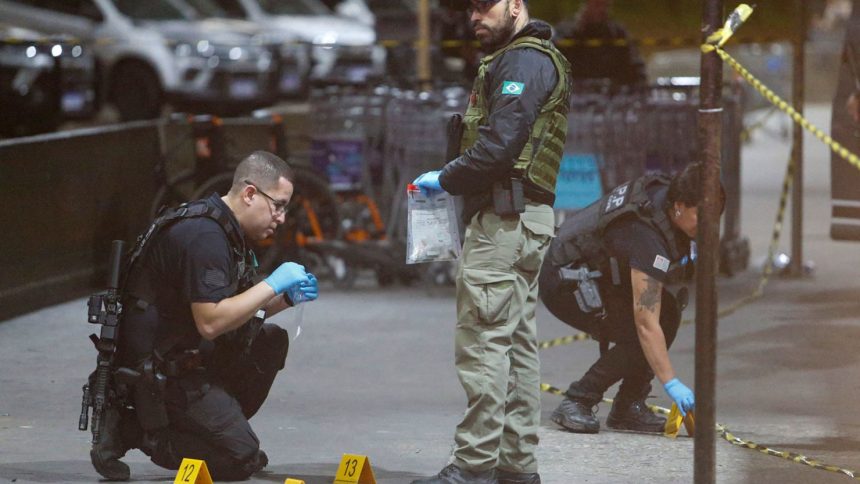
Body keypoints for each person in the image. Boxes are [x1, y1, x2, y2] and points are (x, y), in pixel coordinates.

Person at [411, 0, 571, 483]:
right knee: (516, 348)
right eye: (470, 9)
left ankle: (474, 464)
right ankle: (516, 465)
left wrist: (448, 176)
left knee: (483, 344)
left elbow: (500, 146)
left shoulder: (522, 61)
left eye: (486, 6)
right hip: (526, 219)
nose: (475, 16)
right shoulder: (534, 57)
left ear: (516, 5)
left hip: (504, 221)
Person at [89, 151, 319, 481]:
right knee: (239, 460)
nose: (282, 218)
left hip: (186, 352)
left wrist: (283, 298)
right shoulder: (205, 236)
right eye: (278, 205)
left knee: (270, 341)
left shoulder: (223, 228)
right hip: (159, 369)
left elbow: (235, 306)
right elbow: (211, 322)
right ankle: (134, 430)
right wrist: (272, 282)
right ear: (250, 193)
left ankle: (216, 432)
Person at [539, 163, 717, 435]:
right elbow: (646, 324)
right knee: (643, 331)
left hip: (595, 275)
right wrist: (671, 382)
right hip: (564, 282)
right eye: (701, 217)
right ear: (680, 205)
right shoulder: (646, 234)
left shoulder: (667, 197)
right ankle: (578, 399)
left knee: (667, 313)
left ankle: (628, 407)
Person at [554, 0, 646, 89]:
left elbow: (635, 67)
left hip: (610, 94)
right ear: (586, 4)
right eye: (597, 4)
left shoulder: (617, 33)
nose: (602, 9)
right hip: (575, 93)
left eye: (606, 5)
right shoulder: (565, 32)